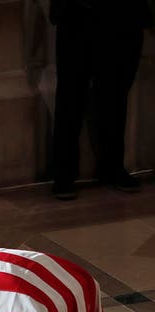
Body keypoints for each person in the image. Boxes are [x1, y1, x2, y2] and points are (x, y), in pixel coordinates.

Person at [50, 0, 153, 200]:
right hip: (77, 14)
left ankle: (112, 167)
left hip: (122, 15)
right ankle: (64, 173)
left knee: (115, 95)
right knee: (70, 97)